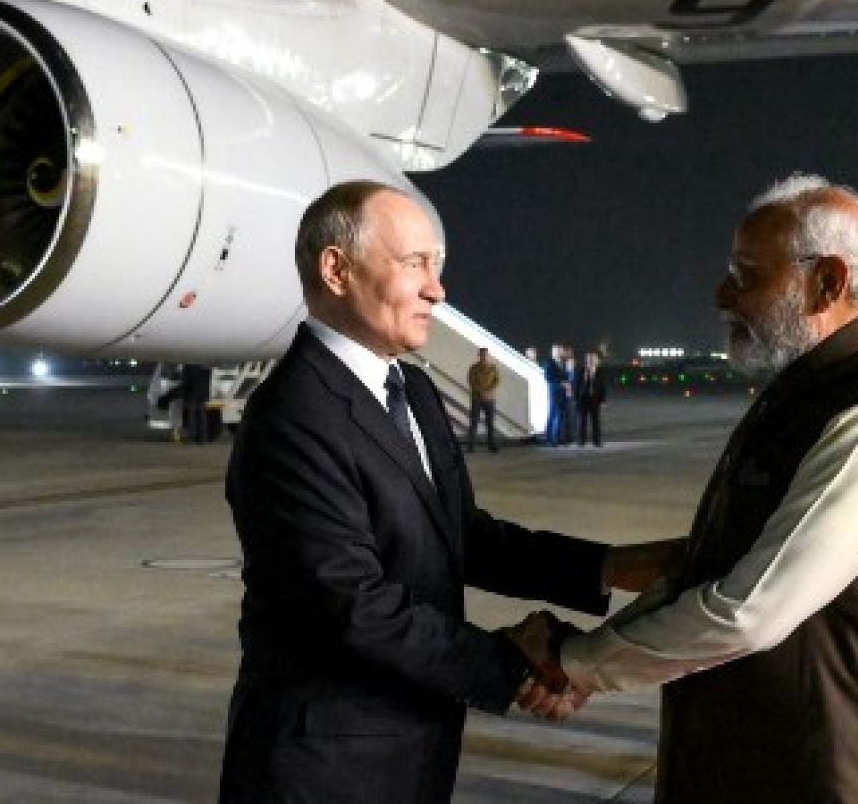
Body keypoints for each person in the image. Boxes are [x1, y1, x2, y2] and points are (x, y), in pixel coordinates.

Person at [217, 180, 675, 804]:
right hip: (323, 764)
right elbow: (351, 605)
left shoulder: (413, 392)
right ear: (336, 269)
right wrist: (514, 662)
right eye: (415, 265)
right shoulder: (293, 416)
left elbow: (464, 535)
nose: (437, 289)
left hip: (409, 743)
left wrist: (614, 566)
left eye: (437, 267)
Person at [553, 174, 858, 803]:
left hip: (834, 778)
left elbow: (748, 609)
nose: (723, 294)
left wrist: (576, 664)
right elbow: (715, 566)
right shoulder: (804, 395)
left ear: (827, 282)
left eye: (746, 274)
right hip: (761, 764)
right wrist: (589, 645)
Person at [466, 347, 500, 452]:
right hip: (477, 398)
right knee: (474, 422)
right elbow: (471, 381)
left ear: (488, 355)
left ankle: (491, 445)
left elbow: (496, 381)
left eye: (485, 354)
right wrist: (481, 392)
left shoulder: (493, 368)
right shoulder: (473, 368)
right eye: (482, 354)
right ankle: (471, 446)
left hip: (490, 399)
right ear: (479, 355)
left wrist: (488, 391)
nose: (484, 356)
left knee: (490, 423)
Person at [574, 350, 608, 447]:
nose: (591, 360)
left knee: (596, 421)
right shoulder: (580, 370)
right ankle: (581, 441)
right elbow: (576, 385)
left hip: (595, 399)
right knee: (582, 421)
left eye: (593, 358)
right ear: (586, 359)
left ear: (596, 360)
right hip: (582, 399)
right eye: (589, 358)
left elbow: (603, 386)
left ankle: (597, 441)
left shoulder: (600, 370)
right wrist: (575, 399)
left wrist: (603, 400)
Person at [180, 363, 213, 444]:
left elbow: (185, 381)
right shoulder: (205, 365)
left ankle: (191, 438)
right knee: (202, 417)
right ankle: (203, 438)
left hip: (192, 393)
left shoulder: (188, 365)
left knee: (191, 417)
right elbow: (208, 378)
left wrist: (184, 396)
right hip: (203, 393)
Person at [543, 344, 568, 446]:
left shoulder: (563, 363)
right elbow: (548, 377)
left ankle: (552, 437)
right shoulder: (549, 362)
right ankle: (553, 439)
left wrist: (567, 384)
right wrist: (561, 383)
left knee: (558, 415)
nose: (559, 352)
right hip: (554, 392)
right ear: (553, 352)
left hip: (563, 393)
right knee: (556, 415)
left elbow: (565, 376)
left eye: (560, 350)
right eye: (557, 350)